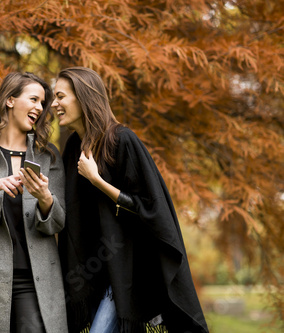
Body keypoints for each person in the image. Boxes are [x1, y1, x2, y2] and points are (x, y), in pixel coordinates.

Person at [53, 67, 209, 333]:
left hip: (127, 271)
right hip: (91, 272)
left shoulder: (122, 140)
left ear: (83, 97)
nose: (54, 104)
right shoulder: (71, 149)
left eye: (60, 96)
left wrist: (98, 181)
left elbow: (150, 208)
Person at [0, 72, 68, 333]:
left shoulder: (48, 155)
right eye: (33, 99)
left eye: (42, 102)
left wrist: (45, 199)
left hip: (37, 279)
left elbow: (58, 223)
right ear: (9, 100)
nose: (40, 108)